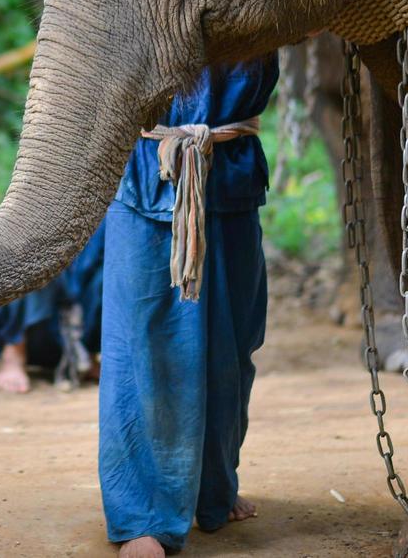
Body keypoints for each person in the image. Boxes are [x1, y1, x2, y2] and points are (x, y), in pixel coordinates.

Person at [100, 58, 277, 557]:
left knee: (231, 347)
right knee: (144, 347)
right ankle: (143, 516)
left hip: (230, 170)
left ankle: (212, 489)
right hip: (150, 167)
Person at [0, 222, 104, 393]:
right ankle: (14, 352)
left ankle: (87, 353)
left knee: (114, 261)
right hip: (24, 331)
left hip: (81, 331)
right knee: (33, 249)